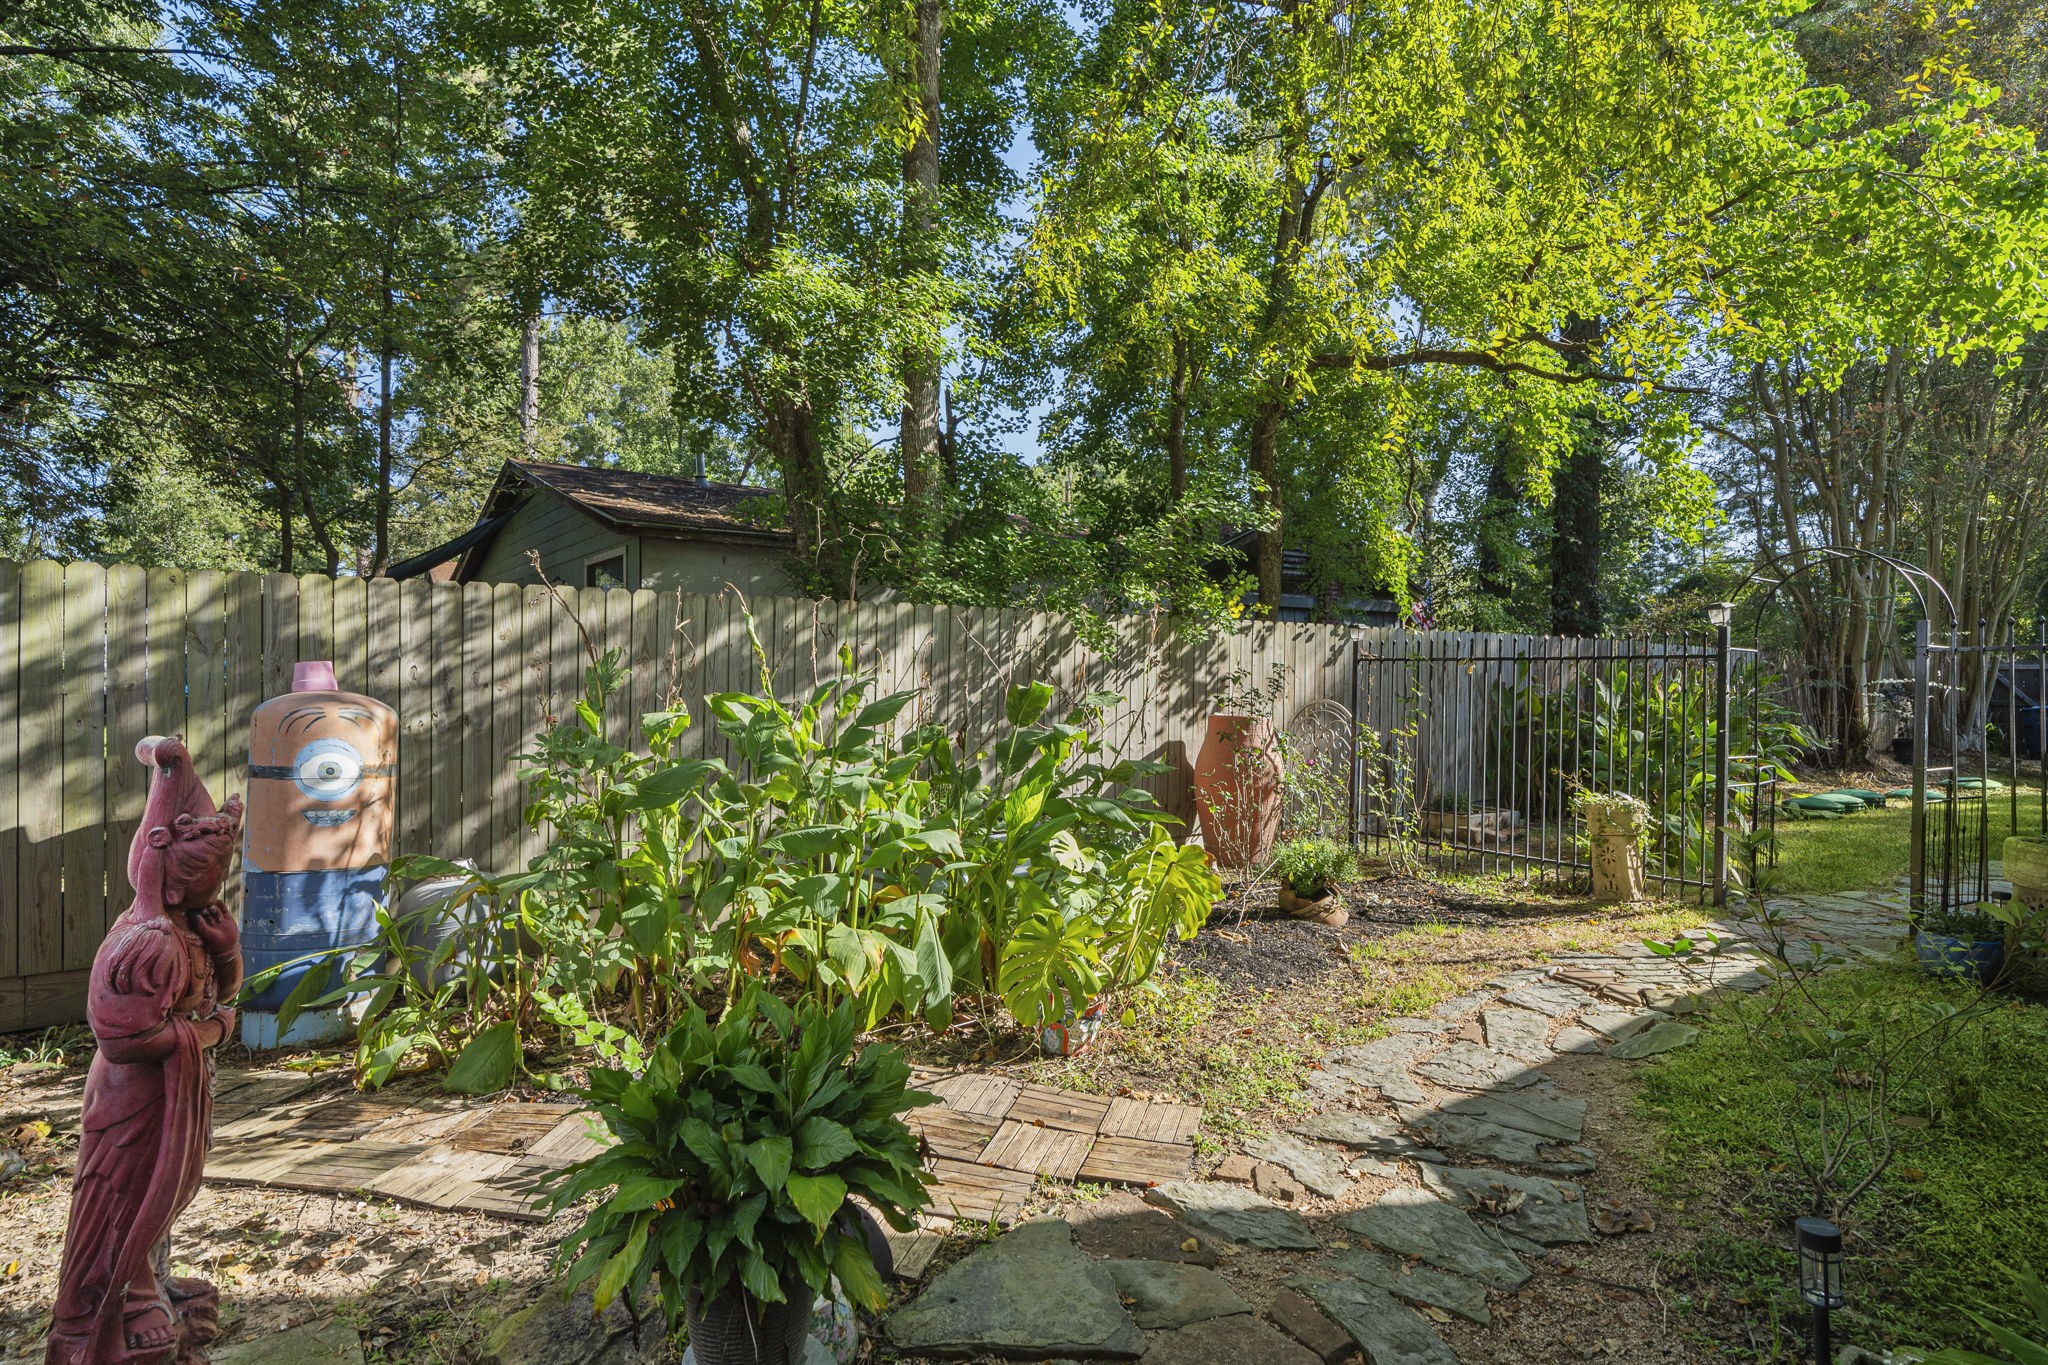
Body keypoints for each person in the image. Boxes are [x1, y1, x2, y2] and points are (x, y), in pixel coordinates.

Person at [45, 736, 242, 1365]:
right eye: (211, 877)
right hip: (134, 1101)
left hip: (173, 1092)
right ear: (172, 877)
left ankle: (150, 1272)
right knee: (124, 1194)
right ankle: (120, 1299)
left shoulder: (188, 928)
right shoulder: (148, 940)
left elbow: (214, 993)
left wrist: (228, 949)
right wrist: (211, 1033)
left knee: (168, 1190)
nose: (218, 887)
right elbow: (124, 1036)